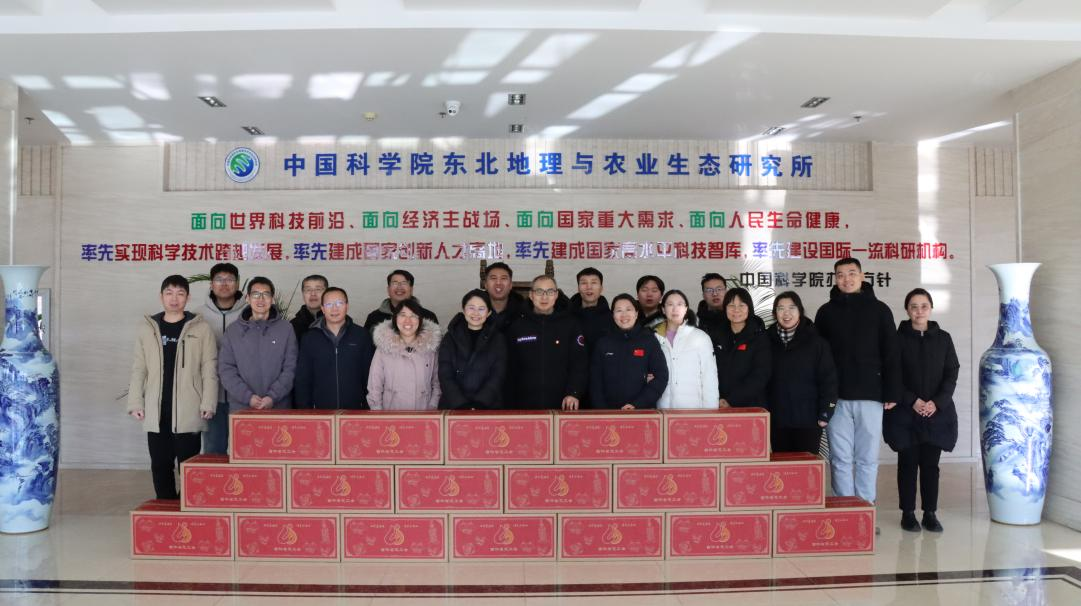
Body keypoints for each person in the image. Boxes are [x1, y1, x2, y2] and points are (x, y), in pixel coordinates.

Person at [814, 257, 902, 505]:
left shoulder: (880, 310)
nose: (847, 279)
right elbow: (818, 358)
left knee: (867, 458)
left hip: (871, 395)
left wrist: (892, 392)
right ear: (835, 279)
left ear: (862, 276)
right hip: (837, 397)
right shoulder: (825, 312)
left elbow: (892, 354)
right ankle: (844, 510)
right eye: (840, 275)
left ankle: (865, 507)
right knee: (840, 458)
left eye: (852, 273)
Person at [127, 275, 217, 499]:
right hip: (157, 411)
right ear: (161, 297)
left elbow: (209, 368)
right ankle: (165, 509)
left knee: (188, 467)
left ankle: (187, 509)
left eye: (180, 293)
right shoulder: (148, 328)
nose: (174, 298)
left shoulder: (201, 328)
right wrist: (135, 402)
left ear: (188, 297)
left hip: (189, 409)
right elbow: (139, 368)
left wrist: (208, 402)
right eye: (169, 293)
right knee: (160, 465)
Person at [886, 288, 959, 533]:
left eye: (924, 306)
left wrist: (936, 402)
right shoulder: (896, 339)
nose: (919, 311)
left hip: (936, 413)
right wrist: (913, 400)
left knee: (930, 465)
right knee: (907, 464)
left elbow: (951, 372)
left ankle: (930, 513)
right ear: (907, 310)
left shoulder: (944, 339)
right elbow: (892, 374)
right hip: (906, 413)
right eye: (914, 306)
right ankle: (907, 513)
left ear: (931, 308)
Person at [766, 291, 838, 453]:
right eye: (781, 308)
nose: (786, 313)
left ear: (800, 311)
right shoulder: (766, 341)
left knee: (807, 466)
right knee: (782, 466)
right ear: (775, 313)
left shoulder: (817, 343)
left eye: (792, 308)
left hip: (808, 420)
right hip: (777, 421)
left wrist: (825, 413)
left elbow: (828, 380)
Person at [504, 276, 588, 410]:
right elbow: (509, 368)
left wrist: (574, 393)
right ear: (531, 295)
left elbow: (579, 364)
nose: (544, 297)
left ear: (556, 295)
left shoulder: (571, 325)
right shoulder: (517, 326)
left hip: (563, 404)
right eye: (539, 292)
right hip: (523, 405)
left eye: (550, 292)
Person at [218, 277, 298, 413]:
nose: (261, 299)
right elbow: (226, 369)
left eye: (266, 294)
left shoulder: (286, 329)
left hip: (279, 407)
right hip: (242, 408)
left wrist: (272, 397)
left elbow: (291, 368)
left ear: (272, 299)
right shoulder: (233, 331)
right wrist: (248, 397)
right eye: (255, 294)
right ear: (247, 298)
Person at [294, 287, 375, 410]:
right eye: (329, 304)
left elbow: (370, 376)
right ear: (322, 308)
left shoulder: (361, 335)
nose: (334, 308)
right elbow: (303, 379)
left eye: (339, 303)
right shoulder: (309, 338)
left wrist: (367, 408)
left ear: (347, 306)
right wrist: (306, 410)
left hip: (355, 411)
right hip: (320, 411)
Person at [590, 294, 668, 410]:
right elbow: (595, 381)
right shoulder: (603, 342)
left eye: (628, 309)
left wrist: (638, 404)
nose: (624, 315)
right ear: (613, 315)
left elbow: (661, 377)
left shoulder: (649, 340)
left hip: (641, 411)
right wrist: (603, 410)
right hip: (608, 413)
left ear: (636, 313)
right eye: (619, 310)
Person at [197, 262, 244, 454]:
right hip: (211, 396)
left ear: (237, 284)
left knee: (246, 450)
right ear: (211, 284)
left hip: (243, 395)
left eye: (230, 279)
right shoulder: (198, 315)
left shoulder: (249, 313)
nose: (224, 284)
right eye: (219, 279)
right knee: (213, 450)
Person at [367, 298, 443, 410]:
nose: (408, 321)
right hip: (391, 414)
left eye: (413, 316)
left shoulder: (430, 348)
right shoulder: (383, 349)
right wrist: (378, 412)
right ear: (395, 318)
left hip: (423, 413)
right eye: (402, 315)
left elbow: (437, 384)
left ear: (420, 320)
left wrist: (432, 408)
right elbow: (374, 386)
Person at [438, 289, 507, 410]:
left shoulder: (498, 339)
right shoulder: (450, 337)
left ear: (489, 313)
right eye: (471, 308)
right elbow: (445, 374)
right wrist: (460, 404)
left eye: (481, 309)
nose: (476, 313)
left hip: (488, 406)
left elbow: (498, 374)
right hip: (454, 406)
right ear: (463, 310)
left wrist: (480, 403)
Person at [654, 289, 719, 409]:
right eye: (670, 304)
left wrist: (711, 411)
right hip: (662, 408)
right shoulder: (654, 337)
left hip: (693, 409)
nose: (675, 309)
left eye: (679, 304)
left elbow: (709, 376)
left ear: (686, 309)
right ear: (663, 309)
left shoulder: (700, 337)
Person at [708, 287, 771, 408]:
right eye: (731, 305)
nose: (736, 310)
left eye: (741, 305)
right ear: (725, 308)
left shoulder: (759, 337)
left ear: (749, 308)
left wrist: (731, 400)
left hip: (751, 405)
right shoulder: (716, 335)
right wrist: (717, 398)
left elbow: (760, 375)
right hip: (719, 403)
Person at [363, 269, 439, 333]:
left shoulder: (428, 317)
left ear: (411, 289)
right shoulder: (374, 318)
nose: (399, 287)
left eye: (404, 283)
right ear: (388, 290)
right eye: (395, 283)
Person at [569, 267, 614, 354]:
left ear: (601, 288)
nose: (589, 287)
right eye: (584, 283)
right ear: (578, 288)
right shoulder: (567, 316)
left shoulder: (611, 318)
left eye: (594, 282)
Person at [483, 262, 526, 332]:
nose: (498, 283)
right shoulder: (474, 310)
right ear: (486, 285)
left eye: (503, 278)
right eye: (493, 278)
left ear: (510, 285)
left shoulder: (524, 310)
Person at [290, 274, 327, 342]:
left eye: (318, 289)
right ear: (303, 294)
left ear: (327, 293)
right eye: (308, 290)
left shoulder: (338, 321)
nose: (313, 294)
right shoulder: (292, 326)